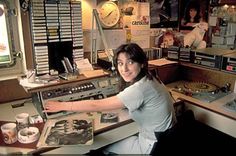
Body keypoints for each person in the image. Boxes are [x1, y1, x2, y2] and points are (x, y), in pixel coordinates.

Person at [44, 43, 177, 154]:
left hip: (151, 146)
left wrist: (62, 106)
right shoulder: (151, 77)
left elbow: (96, 105)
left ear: (142, 63)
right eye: (120, 63)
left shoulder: (139, 89)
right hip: (163, 141)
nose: (124, 69)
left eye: (130, 62)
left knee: (101, 147)